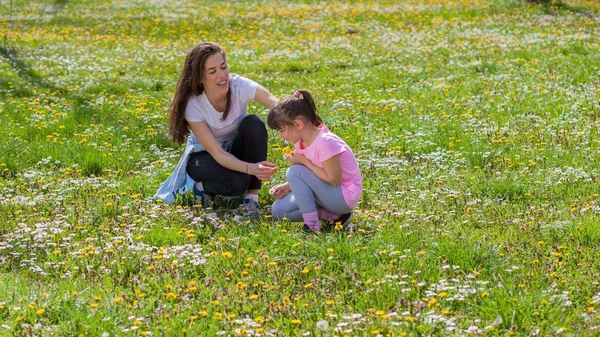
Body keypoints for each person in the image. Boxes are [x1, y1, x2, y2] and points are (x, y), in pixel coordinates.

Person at [153, 42, 278, 211]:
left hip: (233, 149)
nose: (222, 75)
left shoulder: (238, 85)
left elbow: (275, 103)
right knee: (237, 184)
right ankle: (202, 187)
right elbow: (218, 153)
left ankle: (252, 198)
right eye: (212, 71)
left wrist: (298, 110)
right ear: (199, 78)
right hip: (205, 158)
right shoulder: (194, 104)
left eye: (223, 67)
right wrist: (250, 168)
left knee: (254, 123)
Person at [268, 90, 362, 232]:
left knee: (294, 171)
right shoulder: (300, 142)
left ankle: (311, 225)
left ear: (298, 124)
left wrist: (304, 162)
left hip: (343, 196)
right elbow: (309, 175)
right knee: (279, 210)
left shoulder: (325, 142)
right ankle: (334, 217)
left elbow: (334, 179)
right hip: (327, 193)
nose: (280, 136)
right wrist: (288, 186)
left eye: (281, 130)